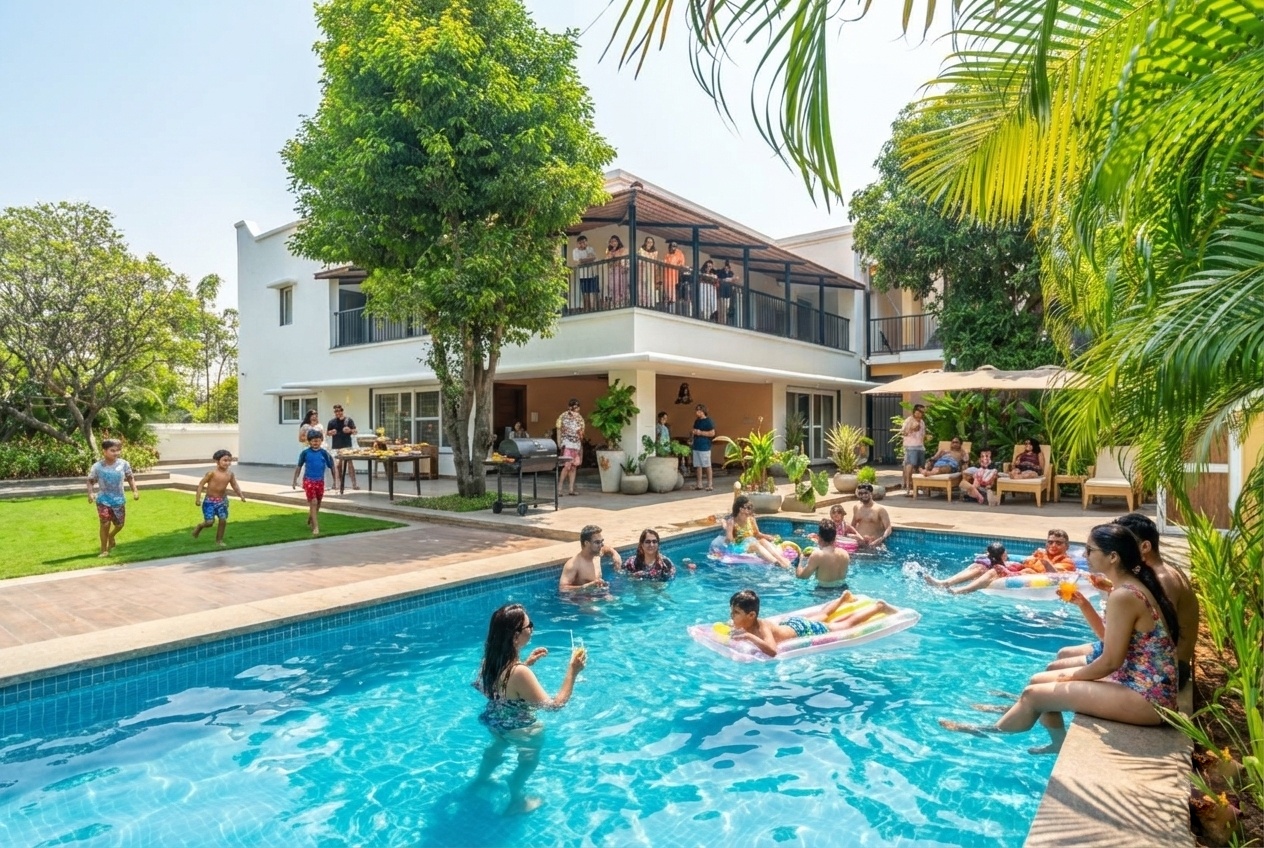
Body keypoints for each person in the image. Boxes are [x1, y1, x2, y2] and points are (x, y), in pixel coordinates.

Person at [941, 523, 1179, 755]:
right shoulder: (1127, 587)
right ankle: (1056, 742)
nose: (1084, 555)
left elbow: (1110, 662)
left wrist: (1073, 676)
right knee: (1038, 681)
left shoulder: (1125, 595)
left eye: (1090, 550)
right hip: (1137, 681)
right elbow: (1110, 641)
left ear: (1113, 557)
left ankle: (988, 733)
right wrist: (1085, 605)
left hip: (1147, 697)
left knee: (1034, 695)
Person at [1050, 513, 1199, 688]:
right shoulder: (1148, 576)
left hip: (1163, 670)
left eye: (1125, 540)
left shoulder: (1161, 579)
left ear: (1144, 546)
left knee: (1056, 669)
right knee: (1062, 655)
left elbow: (1157, 642)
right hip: (1144, 658)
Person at [473, 602, 587, 814]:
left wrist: (526, 663)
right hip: (521, 730)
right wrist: (573, 671)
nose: (532, 629)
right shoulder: (519, 673)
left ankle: (481, 779)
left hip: (495, 721)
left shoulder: (489, 661)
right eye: (529, 626)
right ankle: (516, 797)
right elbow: (554, 706)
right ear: (515, 636)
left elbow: (499, 688)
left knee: (495, 749)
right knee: (528, 762)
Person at [728, 588, 897, 657]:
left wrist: (749, 636)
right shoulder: (745, 623)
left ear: (751, 615)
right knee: (823, 614)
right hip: (792, 624)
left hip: (804, 630)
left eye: (736, 612)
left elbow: (772, 651)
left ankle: (878, 607)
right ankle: (843, 598)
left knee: (843, 625)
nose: (732, 615)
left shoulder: (761, 625)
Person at [86, 438, 138, 557]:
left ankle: (111, 535)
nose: (116, 453)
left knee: (120, 524)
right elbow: (90, 481)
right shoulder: (97, 467)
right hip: (103, 499)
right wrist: (90, 493)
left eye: (118, 450)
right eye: (112, 450)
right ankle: (103, 550)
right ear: (104, 451)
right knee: (105, 524)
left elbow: (130, 477)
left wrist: (135, 490)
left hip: (119, 499)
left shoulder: (124, 464)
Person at [923, 542, 1023, 595]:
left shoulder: (1009, 564)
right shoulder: (987, 561)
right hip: (990, 569)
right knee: (980, 568)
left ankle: (962, 590)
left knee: (993, 570)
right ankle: (944, 583)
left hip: (1002, 574)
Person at [192, 449, 246, 546]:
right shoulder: (211, 473)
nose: (227, 463)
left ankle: (219, 540)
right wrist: (198, 498)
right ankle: (200, 526)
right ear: (217, 461)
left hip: (222, 501)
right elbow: (201, 484)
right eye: (225, 460)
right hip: (209, 501)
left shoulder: (230, 474)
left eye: (229, 460)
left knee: (223, 520)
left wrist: (241, 495)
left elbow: (235, 486)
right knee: (209, 522)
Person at [724, 495, 791, 568]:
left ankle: (782, 559)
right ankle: (776, 563)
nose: (751, 509)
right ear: (741, 509)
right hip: (740, 546)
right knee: (755, 545)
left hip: (751, 542)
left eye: (751, 507)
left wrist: (768, 537)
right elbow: (729, 540)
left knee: (763, 541)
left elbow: (757, 534)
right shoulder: (732, 522)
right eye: (749, 507)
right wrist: (728, 529)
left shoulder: (751, 519)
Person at [291, 429, 335, 535]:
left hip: (320, 481)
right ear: (309, 442)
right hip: (309, 480)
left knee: (318, 503)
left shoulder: (324, 453)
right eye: (313, 441)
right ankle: (315, 527)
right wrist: (294, 480)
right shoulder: (305, 453)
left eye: (318, 441)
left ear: (321, 441)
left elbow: (332, 466)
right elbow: (299, 466)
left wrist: (335, 482)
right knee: (314, 502)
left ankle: (311, 516)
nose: (316, 443)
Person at [558, 524, 618, 593]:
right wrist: (585, 587)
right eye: (597, 542)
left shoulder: (597, 554)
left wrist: (615, 554)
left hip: (600, 594)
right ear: (586, 543)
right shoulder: (573, 565)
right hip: (583, 598)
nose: (601, 545)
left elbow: (606, 549)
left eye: (602, 541)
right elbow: (562, 588)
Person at [796, 519, 851, 588]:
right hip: (842, 590)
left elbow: (802, 577)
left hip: (823, 593)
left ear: (819, 538)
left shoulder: (818, 555)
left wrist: (801, 560)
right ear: (835, 537)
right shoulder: (845, 553)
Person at [555, 398, 585, 496]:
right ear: (569, 407)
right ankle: (559, 488)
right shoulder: (563, 416)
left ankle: (571, 489)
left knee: (573, 467)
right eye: (574, 406)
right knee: (566, 466)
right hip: (567, 444)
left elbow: (581, 432)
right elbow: (559, 429)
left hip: (576, 445)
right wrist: (559, 442)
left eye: (577, 406)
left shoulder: (580, 418)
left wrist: (580, 445)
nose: (576, 409)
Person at [326, 404, 360, 491]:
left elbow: (355, 431)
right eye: (336, 411)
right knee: (338, 465)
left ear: (342, 411)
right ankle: (340, 483)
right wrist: (331, 432)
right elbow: (327, 433)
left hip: (347, 445)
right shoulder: (332, 422)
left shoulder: (348, 420)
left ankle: (354, 484)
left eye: (339, 411)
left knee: (350, 464)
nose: (338, 413)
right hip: (336, 446)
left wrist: (350, 430)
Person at [851, 483, 893, 549]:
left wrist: (880, 539)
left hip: (873, 545)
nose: (863, 495)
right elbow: (852, 526)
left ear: (871, 493)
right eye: (860, 494)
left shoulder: (879, 509)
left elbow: (888, 528)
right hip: (859, 543)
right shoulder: (856, 507)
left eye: (865, 493)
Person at [900, 405, 927, 495]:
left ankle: (918, 486)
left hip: (920, 446)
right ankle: (908, 486)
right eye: (919, 412)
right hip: (911, 446)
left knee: (920, 466)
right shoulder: (909, 420)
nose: (921, 414)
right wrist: (912, 429)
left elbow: (923, 434)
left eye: (922, 412)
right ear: (914, 411)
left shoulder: (922, 422)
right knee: (910, 465)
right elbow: (903, 432)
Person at [690, 403, 715, 491]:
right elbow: (693, 431)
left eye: (699, 410)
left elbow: (712, 433)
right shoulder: (697, 421)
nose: (697, 412)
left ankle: (709, 484)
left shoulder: (708, 421)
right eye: (696, 410)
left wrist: (701, 433)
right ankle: (699, 484)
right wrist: (693, 435)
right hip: (696, 445)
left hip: (705, 446)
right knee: (698, 465)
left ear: (703, 411)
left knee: (707, 465)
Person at [573, 235, 599, 312]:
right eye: (580, 243)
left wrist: (584, 260)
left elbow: (593, 257)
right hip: (582, 275)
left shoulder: (590, 249)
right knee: (585, 293)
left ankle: (594, 308)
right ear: (577, 244)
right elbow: (578, 261)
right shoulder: (575, 251)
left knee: (594, 292)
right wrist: (587, 259)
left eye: (584, 242)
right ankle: (587, 309)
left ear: (586, 242)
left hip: (592, 273)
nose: (582, 244)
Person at [662, 241, 687, 313]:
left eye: (675, 246)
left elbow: (681, 263)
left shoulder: (679, 253)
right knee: (666, 291)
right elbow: (665, 262)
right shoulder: (667, 255)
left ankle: (672, 310)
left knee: (673, 292)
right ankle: (666, 308)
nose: (674, 247)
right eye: (672, 246)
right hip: (667, 275)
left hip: (674, 275)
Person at [606, 235, 628, 306]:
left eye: (615, 241)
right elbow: (608, 262)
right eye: (612, 241)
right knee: (613, 285)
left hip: (620, 270)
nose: (613, 243)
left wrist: (615, 262)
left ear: (618, 241)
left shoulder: (623, 250)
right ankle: (614, 301)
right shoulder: (609, 252)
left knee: (619, 285)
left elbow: (622, 260)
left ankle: (620, 301)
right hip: (612, 271)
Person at [638, 236, 659, 304]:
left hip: (651, 271)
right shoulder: (641, 250)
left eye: (651, 242)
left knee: (650, 286)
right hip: (643, 270)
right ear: (645, 242)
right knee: (643, 285)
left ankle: (650, 303)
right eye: (648, 242)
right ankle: (642, 302)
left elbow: (655, 262)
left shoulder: (655, 252)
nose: (649, 244)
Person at [715, 259, 736, 324]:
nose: (726, 269)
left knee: (726, 308)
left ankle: (723, 322)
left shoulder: (731, 273)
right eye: (725, 268)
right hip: (722, 292)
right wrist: (723, 280)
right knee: (721, 308)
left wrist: (732, 279)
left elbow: (733, 280)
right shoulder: (721, 272)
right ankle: (720, 321)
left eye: (727, 268)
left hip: (728, 293)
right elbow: (718, 278)